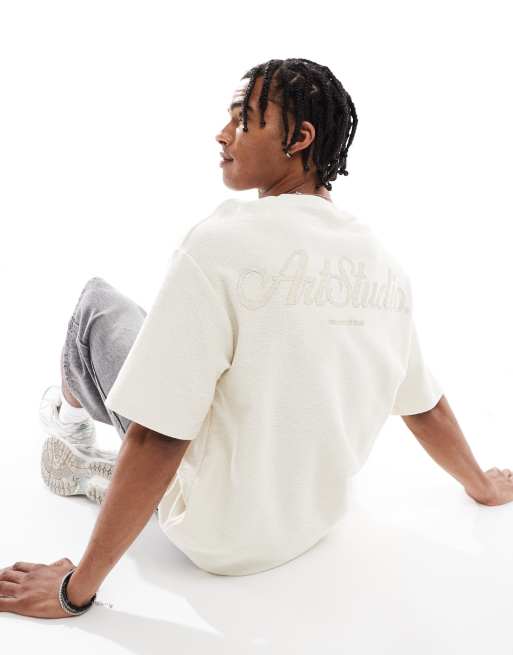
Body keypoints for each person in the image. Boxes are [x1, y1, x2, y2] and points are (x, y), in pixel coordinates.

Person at [2, 57, 512, 620]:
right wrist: (483, 487)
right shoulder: (381, 262)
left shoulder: (221, 242)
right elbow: (424, 404)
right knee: (180, 341)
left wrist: (73, 590)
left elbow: (158, 434)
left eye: (244, 121)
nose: (224, 134)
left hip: (213, 534)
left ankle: (70, 429)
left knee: (97, 308)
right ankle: (104, 459)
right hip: (311, 524)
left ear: (299, 138)